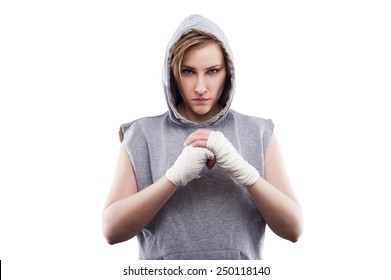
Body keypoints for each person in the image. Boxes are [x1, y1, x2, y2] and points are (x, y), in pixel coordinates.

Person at [102, 14, 303, 260]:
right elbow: (111, 231)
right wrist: (173, 179)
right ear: (172, 74)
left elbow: (294, 229)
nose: (200, 87)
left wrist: (245, 173)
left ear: (227, 73)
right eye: (188, 72)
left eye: (212, 71)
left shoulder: (258, 132)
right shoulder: (141, 134)